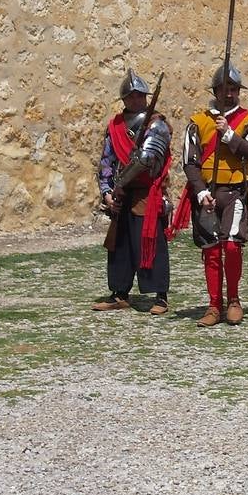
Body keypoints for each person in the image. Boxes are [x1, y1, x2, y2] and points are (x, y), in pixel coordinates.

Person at [173, 63, 248, 328]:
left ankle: (234, 300)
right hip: (207, 193)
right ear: (216, 90)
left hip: (235, 191)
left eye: (234, 89)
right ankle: (214, 304)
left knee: (232, 246)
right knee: (211, 250)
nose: (229, 94)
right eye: (225, 89)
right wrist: (200, 191)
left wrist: (229, 134)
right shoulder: (198, 122)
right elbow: (190, 162)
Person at [92, 70, 174, 315]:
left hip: (146, 191)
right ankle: (119, 292)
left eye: (140, 96)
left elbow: (148, 159)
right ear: (124, 99)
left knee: (150, 242)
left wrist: (120, 184)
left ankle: (160, 296)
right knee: (119, 244)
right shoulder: (115, 126)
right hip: (120, 193)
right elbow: (106, 161)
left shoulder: (157, 124)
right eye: (131, 96)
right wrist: (107, 191)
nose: (136, 100)